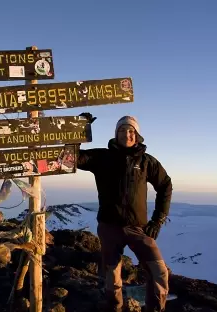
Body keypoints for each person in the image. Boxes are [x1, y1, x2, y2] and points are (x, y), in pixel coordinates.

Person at [77, 114, 172, 312]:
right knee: (112, 276)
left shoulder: (147, 162)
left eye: (131, 131)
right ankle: (115, 308)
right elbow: (73, 158)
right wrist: (78, 128)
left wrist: (157, 220)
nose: (126, 134)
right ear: (116, 134)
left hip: (138, 228)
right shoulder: (102, 157)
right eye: (122, 130)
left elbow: (165, 185)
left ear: (137, 135)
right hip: (109, 227)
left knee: (159, 271)